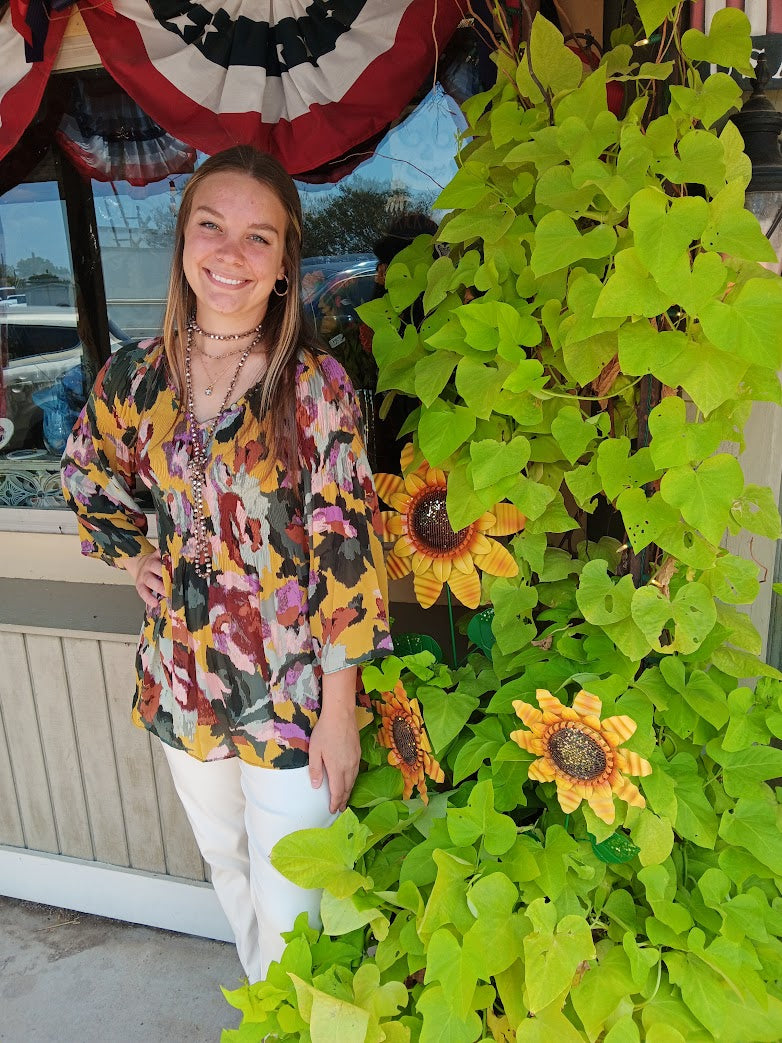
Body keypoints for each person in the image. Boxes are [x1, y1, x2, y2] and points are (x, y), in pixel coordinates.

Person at [60, 146, 393, 984]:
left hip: (293, 695)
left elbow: (346, 551)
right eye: (211, 225)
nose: (230, 253)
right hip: (182, 682)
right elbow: (83, 473)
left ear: (284, 265)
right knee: (231, 872)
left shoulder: (314, 385)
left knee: (298, 915)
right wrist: (134, 551)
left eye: (259, 237)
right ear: (182, 241)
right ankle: (272, 1018)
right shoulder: (135, 378)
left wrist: (342, 711)